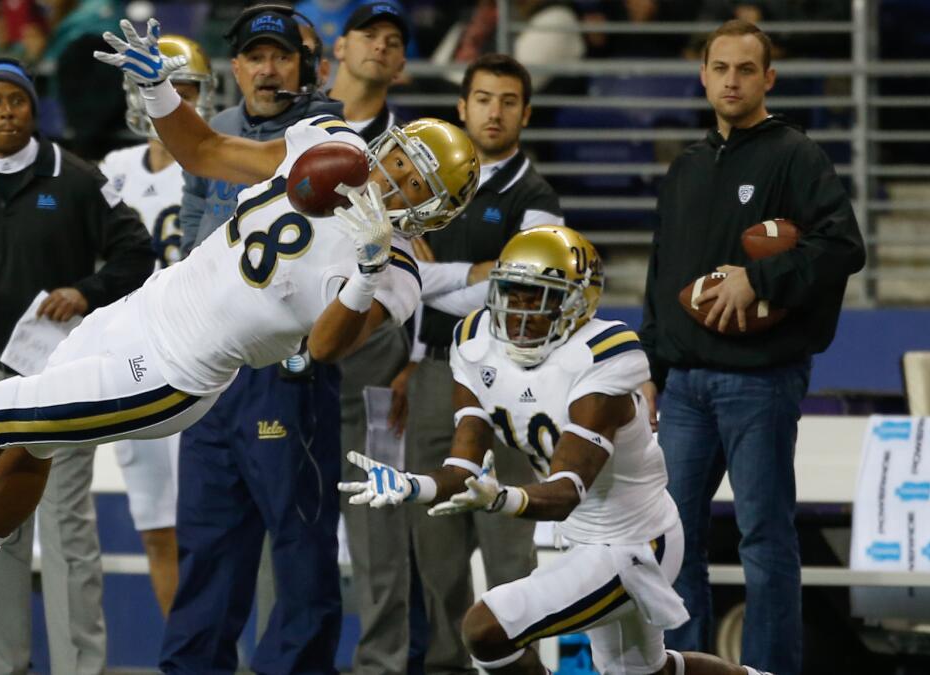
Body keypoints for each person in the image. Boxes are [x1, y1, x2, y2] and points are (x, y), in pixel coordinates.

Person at [0, 16, 479, 630]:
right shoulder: (326, 142)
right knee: (34, 445)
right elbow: (206, 152)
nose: (392, 177)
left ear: (432, 211)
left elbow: (326, 346)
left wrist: (362, 269)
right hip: (142, 312)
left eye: (415, 183)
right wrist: (159, 94)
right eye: (398, 158)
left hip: (175, 370)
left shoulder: (397, 271)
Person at [341, 225, 777, 675]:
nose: (518, 311)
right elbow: (462, 465)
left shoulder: (602, 354)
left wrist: (500, 498)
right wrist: (415, 486)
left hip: (638, 541)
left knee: (486, 628)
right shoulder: (474, 343)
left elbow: (567, 490)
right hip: (587, 539)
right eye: (511, 292)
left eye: (537, 297)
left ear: (576, 303)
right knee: (650, 673)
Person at [638, 20, 865, 675]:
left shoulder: (795, 154)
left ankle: (767, 670)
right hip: (682, 386)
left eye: (746, 69)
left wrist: (758, 276)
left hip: (760, 381)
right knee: (673, 541)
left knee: (765, 539)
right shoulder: (684, 165)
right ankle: (685, 665)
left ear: (769, 78)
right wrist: (651, 368)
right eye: (720, 68)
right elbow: (661, 277)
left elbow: (845, 246)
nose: (731, 80)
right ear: (703, 75)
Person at [0, 54, 155, 674]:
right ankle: (0, 665)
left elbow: (138, 254)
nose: (8, 112)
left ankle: (82, 667)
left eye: (18, 100)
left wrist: (86, 291)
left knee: (67, 522)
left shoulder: (78, 178)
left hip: (65, 374)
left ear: (34, 108)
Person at [158, 7, 365, 671]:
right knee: (207, 545)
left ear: (304, 67)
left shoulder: (331, 142)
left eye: (281, 56)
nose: (268, 68)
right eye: (255, 56)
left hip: (287, 369)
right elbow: (193, 216)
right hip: (210, 368)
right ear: (237, 67)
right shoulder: (212, 132)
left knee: (301, 547)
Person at [398, 52, 564, 675]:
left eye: (508, 101)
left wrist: (429, 274)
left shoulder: (537, 196)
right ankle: (445, 665)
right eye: (484, 99)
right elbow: (400, 278)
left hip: (510, 382)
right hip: (435, 371)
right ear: (461, 108)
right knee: (434, 549)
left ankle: (518, 671)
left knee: (507, 555)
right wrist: (467, 276)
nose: (495, 112)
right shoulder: (431, 181)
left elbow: (516, 293)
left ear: (526, 112)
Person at [97, 34, 217, 616]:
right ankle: (182, 648)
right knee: (156, 524)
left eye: (185, 89)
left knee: (212, 523)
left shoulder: (218, 159)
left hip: (204, 350)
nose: (172, 98)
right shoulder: (114, 168)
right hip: (135, 351)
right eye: (161, 87)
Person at [324, 4, 418, 673]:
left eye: (394, 42)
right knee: (288, 524)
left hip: (380, 361)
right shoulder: (300, 128)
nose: (381, 48)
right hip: (292, 352)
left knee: (380, 522)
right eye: (370, 36)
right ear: (338, 45)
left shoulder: (415, 148)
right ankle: (292, 659)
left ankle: (382, 663)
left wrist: (416, 356)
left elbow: (430, 259)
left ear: (403, 63)